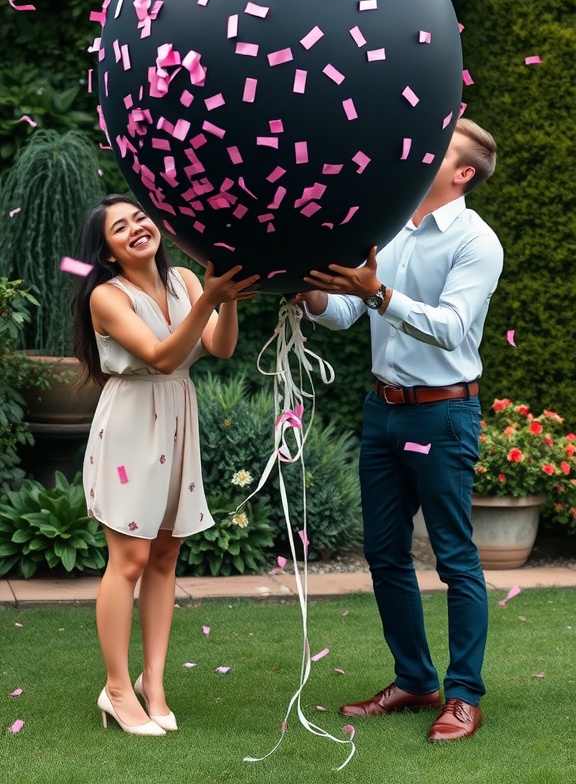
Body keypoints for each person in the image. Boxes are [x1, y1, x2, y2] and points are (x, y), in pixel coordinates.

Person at [297, 118, 503, 742]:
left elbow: (449, 327)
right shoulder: (388, 225)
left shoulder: (476, 242)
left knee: (455, 558)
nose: (422, 151)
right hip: (382, 410)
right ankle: (415, 679)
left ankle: (464, 695)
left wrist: (378, 291)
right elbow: (347, 310)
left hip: (442, 414)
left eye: (439, 150)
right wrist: (308, 293)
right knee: (384, 554)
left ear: (463, 172)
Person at [72, 194, 259, 736]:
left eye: (140, 218)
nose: (136, 228)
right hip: (133, 423)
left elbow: (220, 348)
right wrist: (209, 300)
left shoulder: (185, 279)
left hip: (178, 417)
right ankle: (116, 689)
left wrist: (227, 297)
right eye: (119, 228)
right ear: (107, 251)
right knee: (128, 558)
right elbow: (159, 355)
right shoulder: (108, 296)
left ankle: (154, 682)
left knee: (165, 553)